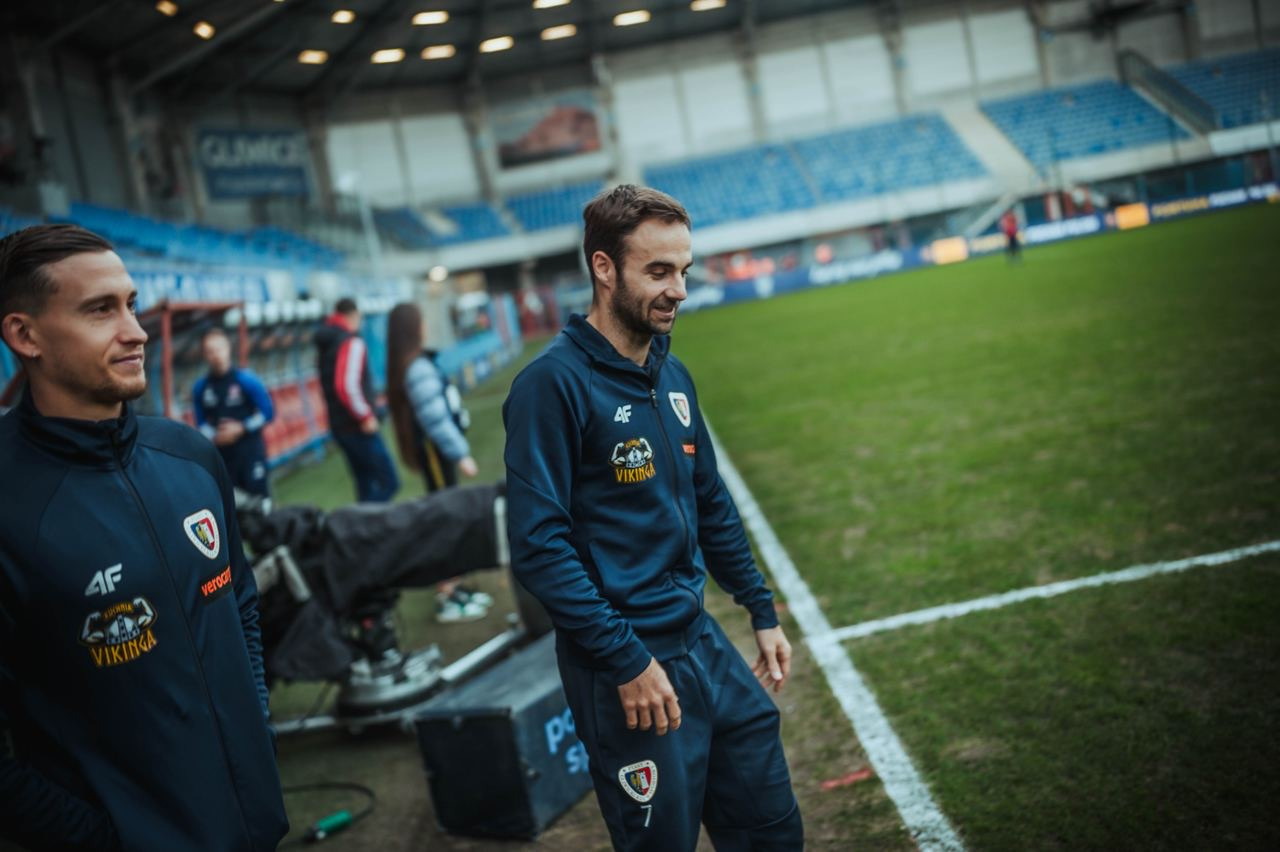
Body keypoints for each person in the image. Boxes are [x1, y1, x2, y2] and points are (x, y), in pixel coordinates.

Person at [503, 185, 803, 850]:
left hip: (700, 642)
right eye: (659, 272)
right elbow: (539, 546)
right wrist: (625, 660)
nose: (679, 291)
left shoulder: (673, 377)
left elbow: (710, 503)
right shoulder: (551, 386)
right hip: (627, 665)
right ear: (604, 268)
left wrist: (759, 608)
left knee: (771, 827)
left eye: (684, 271)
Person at [0, 224, 288, 851]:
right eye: (100, 310)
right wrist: (110, 839)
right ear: (25, 335)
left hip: (255, 825)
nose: (135, 331)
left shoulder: (190, 456)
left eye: (131, 304)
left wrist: (254, 726)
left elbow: (237, 601)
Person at [385, 301, 491, 623]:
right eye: (420, 321)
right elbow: (433, 417)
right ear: (412, 329)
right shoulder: (416, 368)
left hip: (437, 452)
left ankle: (454, 587)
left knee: (449, 516)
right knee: (446, 519)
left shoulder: (414, 364)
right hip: (437, 453)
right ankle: (447, 595)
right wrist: (460, 453)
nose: (425, 326)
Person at [315, 296, 399, 502]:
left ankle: (362, 521)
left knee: (365, 484)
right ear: (354, 315)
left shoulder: (328, 341)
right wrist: (365, 416)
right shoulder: (350, 341)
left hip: (340, 425)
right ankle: (369, 522)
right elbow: (346, 386)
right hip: (357, 426)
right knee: (389, 481)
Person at [192, 326, 275, 497]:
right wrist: (215, 436)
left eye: (219, 349)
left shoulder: (246, 380)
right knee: (234, 507)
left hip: (251, 453)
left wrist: (242, 427)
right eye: (210, 351)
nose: (216, 355)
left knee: (261, 503)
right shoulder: (201, 388)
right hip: (223, 459)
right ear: (205, 355)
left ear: (228, 348)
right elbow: (200, 423)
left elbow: (268, 412)